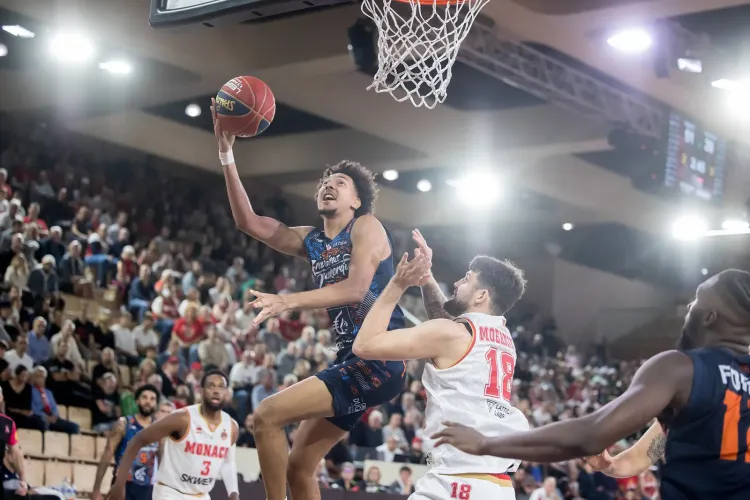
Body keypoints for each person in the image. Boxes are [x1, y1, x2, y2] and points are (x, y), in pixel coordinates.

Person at [212, 100, 406, 500]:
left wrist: (287, 301)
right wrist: (225, 152)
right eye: (324, 181)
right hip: (351, 360)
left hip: (381, 356)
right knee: (300, 467)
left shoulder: (366, 226)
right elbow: (248, 223)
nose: (328, 184)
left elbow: (355, 289)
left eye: (339, 182)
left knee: (265, 415)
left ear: (355, 201)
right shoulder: (312, 240)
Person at [432, 268, 750, 500]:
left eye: (695, 303)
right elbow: (640, 458)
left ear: (710, 317)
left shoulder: (682, 369)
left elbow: (591, 434)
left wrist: (486, 444)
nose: (687, 311)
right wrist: (610, 465)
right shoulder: (706, 389)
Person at [352, 230, 529, 500]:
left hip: (459, 484)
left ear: (481, 295)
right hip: (496, 486)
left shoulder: (452, 334)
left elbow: (364, 345)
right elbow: (445, 320)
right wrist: (426, 278)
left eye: (466, 279)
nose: (457, 282)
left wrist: (398, 284)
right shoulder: (502, 336)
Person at [106, 370, 238, 500]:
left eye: (221, 387)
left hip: (201, 495)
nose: (216, 391)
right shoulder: (182, 418)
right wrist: (120, 483)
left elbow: (228, 462)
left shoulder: (231, 427)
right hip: (171, 492)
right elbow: (137, 440)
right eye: (211, 386)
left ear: (226, 393)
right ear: (202, 391)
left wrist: (233, 494)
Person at [92, 385, 160, 500]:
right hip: (122, 485)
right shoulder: (123, 424)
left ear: (156, 404)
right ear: (137, 401)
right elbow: (107, 454)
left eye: (152, 399)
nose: (148, 401)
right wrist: (96, 488)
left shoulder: (159, 428)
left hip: (148, 488)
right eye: (144, 397)